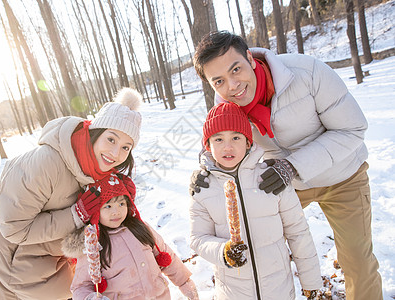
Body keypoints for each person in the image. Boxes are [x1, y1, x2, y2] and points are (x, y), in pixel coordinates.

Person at [189, 30, 382, 300]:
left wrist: (292, 166)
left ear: (249, 57)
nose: (232, 86)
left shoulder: (307, 72)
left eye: (236, 69)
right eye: (219, 81)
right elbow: (216, 143)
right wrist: (203, 170)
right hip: (282, 184)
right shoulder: (227, 104)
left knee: (357, 260)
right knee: (256, 241)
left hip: (342, 176)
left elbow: (352, 129)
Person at [0, 88, 143, 300]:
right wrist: (75, 215)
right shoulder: (45, 164)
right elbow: (13, 228)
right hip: (10, 275)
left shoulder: (99, 171)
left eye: (126, 147)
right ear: (95, 132)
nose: (116, 154)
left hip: (48, 271)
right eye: (111, 140)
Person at [189, 102, 321, 299]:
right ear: (207, 145)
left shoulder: (271, 178)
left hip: (278, 289)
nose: (228, 146)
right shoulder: (203, 188)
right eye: (218, 139)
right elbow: (198, 238)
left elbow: (298, 230)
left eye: (236, 137)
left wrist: (310, 279)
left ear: (248, 142)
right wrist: (222, 252)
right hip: (233, 292)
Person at [62, 173, 199, 300]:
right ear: (96, 211)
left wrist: (185, 283)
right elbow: (80, 286)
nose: (116, 211)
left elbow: (167, 256)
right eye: (108, 206)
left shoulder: (140, 228)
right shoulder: (93, 244)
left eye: (121, 204)